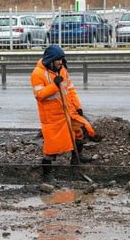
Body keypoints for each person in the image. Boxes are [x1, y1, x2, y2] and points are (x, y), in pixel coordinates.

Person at [30, 44, 98, 183]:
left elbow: (71, 89)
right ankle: (47, 175)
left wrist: (77, 107)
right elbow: (39, 95)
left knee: (81, 130)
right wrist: (54, 85)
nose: (60, 62)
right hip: (52, 117)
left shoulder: (62, 70)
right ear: (50, 60)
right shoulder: (37, 74)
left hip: (68, 111)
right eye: (58, 60)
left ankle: (76, 158)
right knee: (52, 147)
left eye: (61, 59)